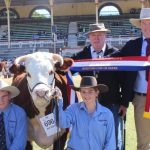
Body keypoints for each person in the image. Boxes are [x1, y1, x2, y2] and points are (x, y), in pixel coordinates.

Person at [72, 23, 126, 149]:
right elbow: (67, 68)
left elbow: (124, 80)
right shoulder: (81, 56)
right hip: (89, 105)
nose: (96, 38)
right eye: (93, 35)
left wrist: (124, 103)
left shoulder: (117, 55)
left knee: (113, 138)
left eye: (100, 35)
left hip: (112, 103)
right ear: (89, 37)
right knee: (92, 138)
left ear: (105, 36)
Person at [110, 8, 150, 150]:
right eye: (143, 23)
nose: (146, 27)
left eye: (149, 23)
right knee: (143, 142)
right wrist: (92, 62)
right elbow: (115, 58)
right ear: (140, 25)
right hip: (141, 100)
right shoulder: (133, 45)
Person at [55, 76, 116, 150]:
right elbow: (62, 123)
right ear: (80, 92)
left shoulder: (107, 114)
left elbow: (110, 144)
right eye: (83, 92)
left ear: (97, 93)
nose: (86, 95)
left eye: (90, 91)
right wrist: (58, 102)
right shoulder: (73, 109)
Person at [0, 80, 27, 150]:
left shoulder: (19, 113)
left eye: (4, 96)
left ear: (9, 96)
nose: (1, 100)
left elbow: (19, 142)